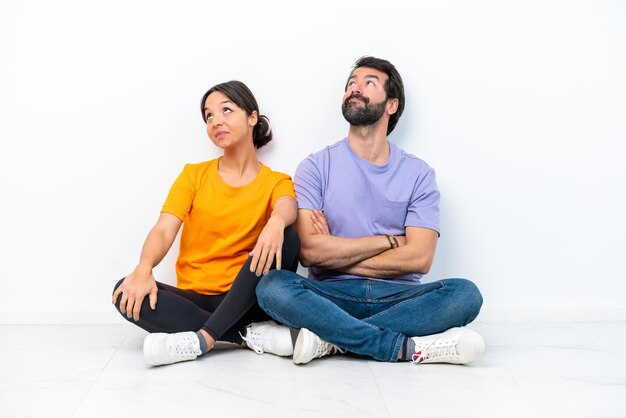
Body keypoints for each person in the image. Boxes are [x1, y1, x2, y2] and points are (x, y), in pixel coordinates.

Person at [254, 56, 485, 366]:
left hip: (398, 297)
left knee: (465, 295)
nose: (355, 89)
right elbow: (310, 252)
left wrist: (338, 250)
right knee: (272, 287)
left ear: (391, 105)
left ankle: (331, 340)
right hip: (330, 294)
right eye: (351, 84)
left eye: (368, 83)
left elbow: (420, 258)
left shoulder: (418, 174)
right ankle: (394, 345)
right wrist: (388, 241)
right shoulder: (315, 167)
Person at [112, 80, 299, 366]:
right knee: (124, 291)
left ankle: (205, 338)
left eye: (226, 110)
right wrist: (143, 267)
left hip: (247, 298)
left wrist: (275, 222)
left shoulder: (275, 181)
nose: (215, 121)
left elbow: (287, 205)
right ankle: (246, 336)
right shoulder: (193, 175)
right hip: (195, 298)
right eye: (209, 116)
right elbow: (164, 229)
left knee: (289, 237)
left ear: (252, 117)